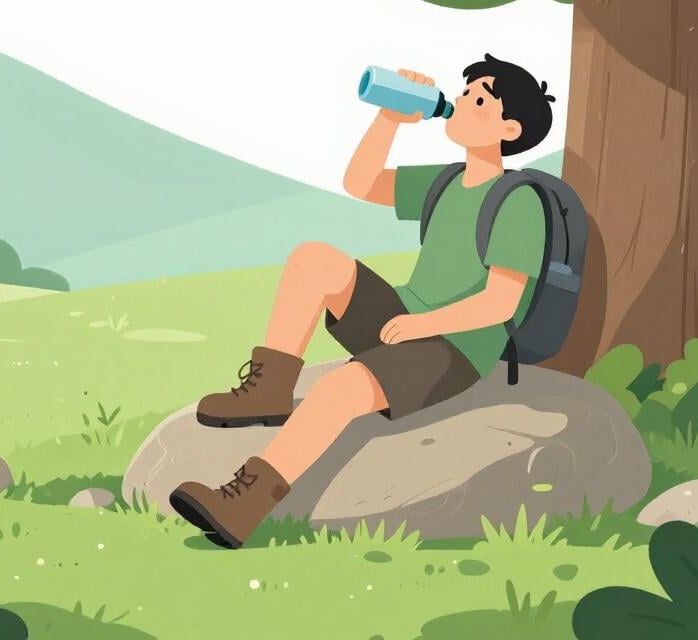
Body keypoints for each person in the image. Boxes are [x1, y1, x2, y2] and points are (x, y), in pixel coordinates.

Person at [169, 54, 556, 549]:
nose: (462, 102)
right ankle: (269, 390)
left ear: (509, 126)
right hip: (405, 316)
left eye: (479, 99)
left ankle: (243, 504)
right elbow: (361, 183)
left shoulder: (518, 201)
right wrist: (388, 119)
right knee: (314, 260)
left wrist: (423, 326)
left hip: (453, 348)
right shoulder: (447, 181)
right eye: (466, 93)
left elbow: (501, 303)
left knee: (339, 390)